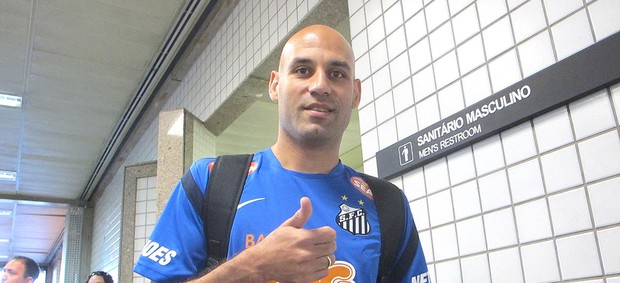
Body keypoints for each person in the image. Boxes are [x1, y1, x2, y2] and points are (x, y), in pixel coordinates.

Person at [133, 24, 428, 282]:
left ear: (355, 93)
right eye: (303, 70)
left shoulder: (387, 205)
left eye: (337, 74)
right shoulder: (210, 182)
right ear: (275, 85)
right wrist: (253, 265)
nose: (320, 85)